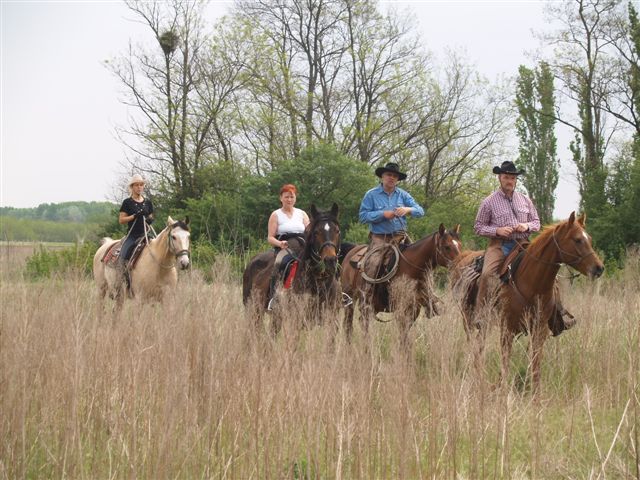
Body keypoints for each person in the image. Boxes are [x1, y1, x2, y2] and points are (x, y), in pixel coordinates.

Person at [473, 160, 540, 320]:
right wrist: (497, 230)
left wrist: (526, 226)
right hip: (500, 245)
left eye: (512, 178)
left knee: (547, 270)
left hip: (524, 244)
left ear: (516, 180)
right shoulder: (488, 202)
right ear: (500, 178)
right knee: (487, 274)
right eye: (506, 177)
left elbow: (537, 223)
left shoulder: (525, 200)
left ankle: (557, 314)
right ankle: (481, 314)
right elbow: (478, 227)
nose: (509, 181)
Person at [358, 161, 424, 277]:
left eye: (395, 176)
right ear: (382, 176)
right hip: (380, 239)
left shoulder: (403, 195)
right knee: (373, 265)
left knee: (418, 262)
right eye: (389, 175)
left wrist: (407, 210)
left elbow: (420, 211)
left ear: (397, 179)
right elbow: (363, 217)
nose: (391, 178)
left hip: (401, 237)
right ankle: (368, 292)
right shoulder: (371, 195)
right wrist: (383, 214)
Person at [266, 184, 310, 304]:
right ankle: (274, 296)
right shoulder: (276, 215)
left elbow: (310, 232)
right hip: (285, 245)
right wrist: (279, 243)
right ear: (281, 198)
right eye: (286, 197)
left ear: (295, 198)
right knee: (280, 263)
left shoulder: (302, 214)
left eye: (292, 197)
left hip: (303, 244)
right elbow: (270, 237)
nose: (289, 199)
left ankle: (336, 293)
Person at [118, 174, 154, 286]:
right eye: (136, 185)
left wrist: (149, 219)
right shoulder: (127, 202)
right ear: (132, 187)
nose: (139, 187)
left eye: (141, 185)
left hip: (146, 234)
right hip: (133, 235)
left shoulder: (148, 202)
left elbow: (151, 216)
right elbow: (121, 220)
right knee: (123, 256)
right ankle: (121, 283)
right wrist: (134, 216)